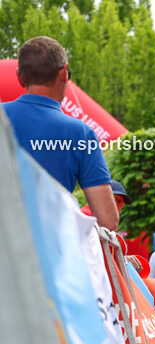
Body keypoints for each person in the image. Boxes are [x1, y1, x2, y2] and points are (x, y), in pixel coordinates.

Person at [3, 36, 118, 231]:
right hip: (49, 252)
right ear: (64, 73)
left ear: (19, 77)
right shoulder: (81, 134)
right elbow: (108, 219)